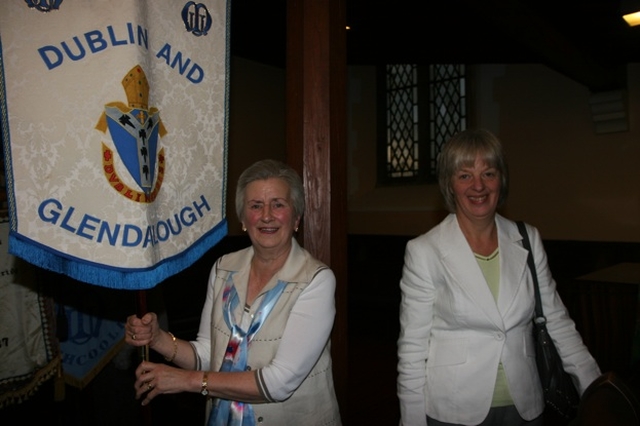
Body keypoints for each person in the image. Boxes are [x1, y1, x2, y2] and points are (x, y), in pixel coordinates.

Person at [396, 129, 601, 426]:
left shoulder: (527, 238)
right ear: (449, 184)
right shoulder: (424, 250)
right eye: (465, 175)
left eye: (488, 173)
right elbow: (412, 349)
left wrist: (597, 394)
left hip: (525, 406)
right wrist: (412, 421)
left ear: (501, 179)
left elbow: (558, 323)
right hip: (455, 409)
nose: (478, 185)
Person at [125, 159, 342, 425]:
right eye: (255, 206)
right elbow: (208, 355)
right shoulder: (223, 269)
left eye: (278, 204)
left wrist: (186, 381)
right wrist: (157, 338)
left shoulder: (316, 280)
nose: (266, 215)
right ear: (242, 219)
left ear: (296, 217)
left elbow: (279, 383)